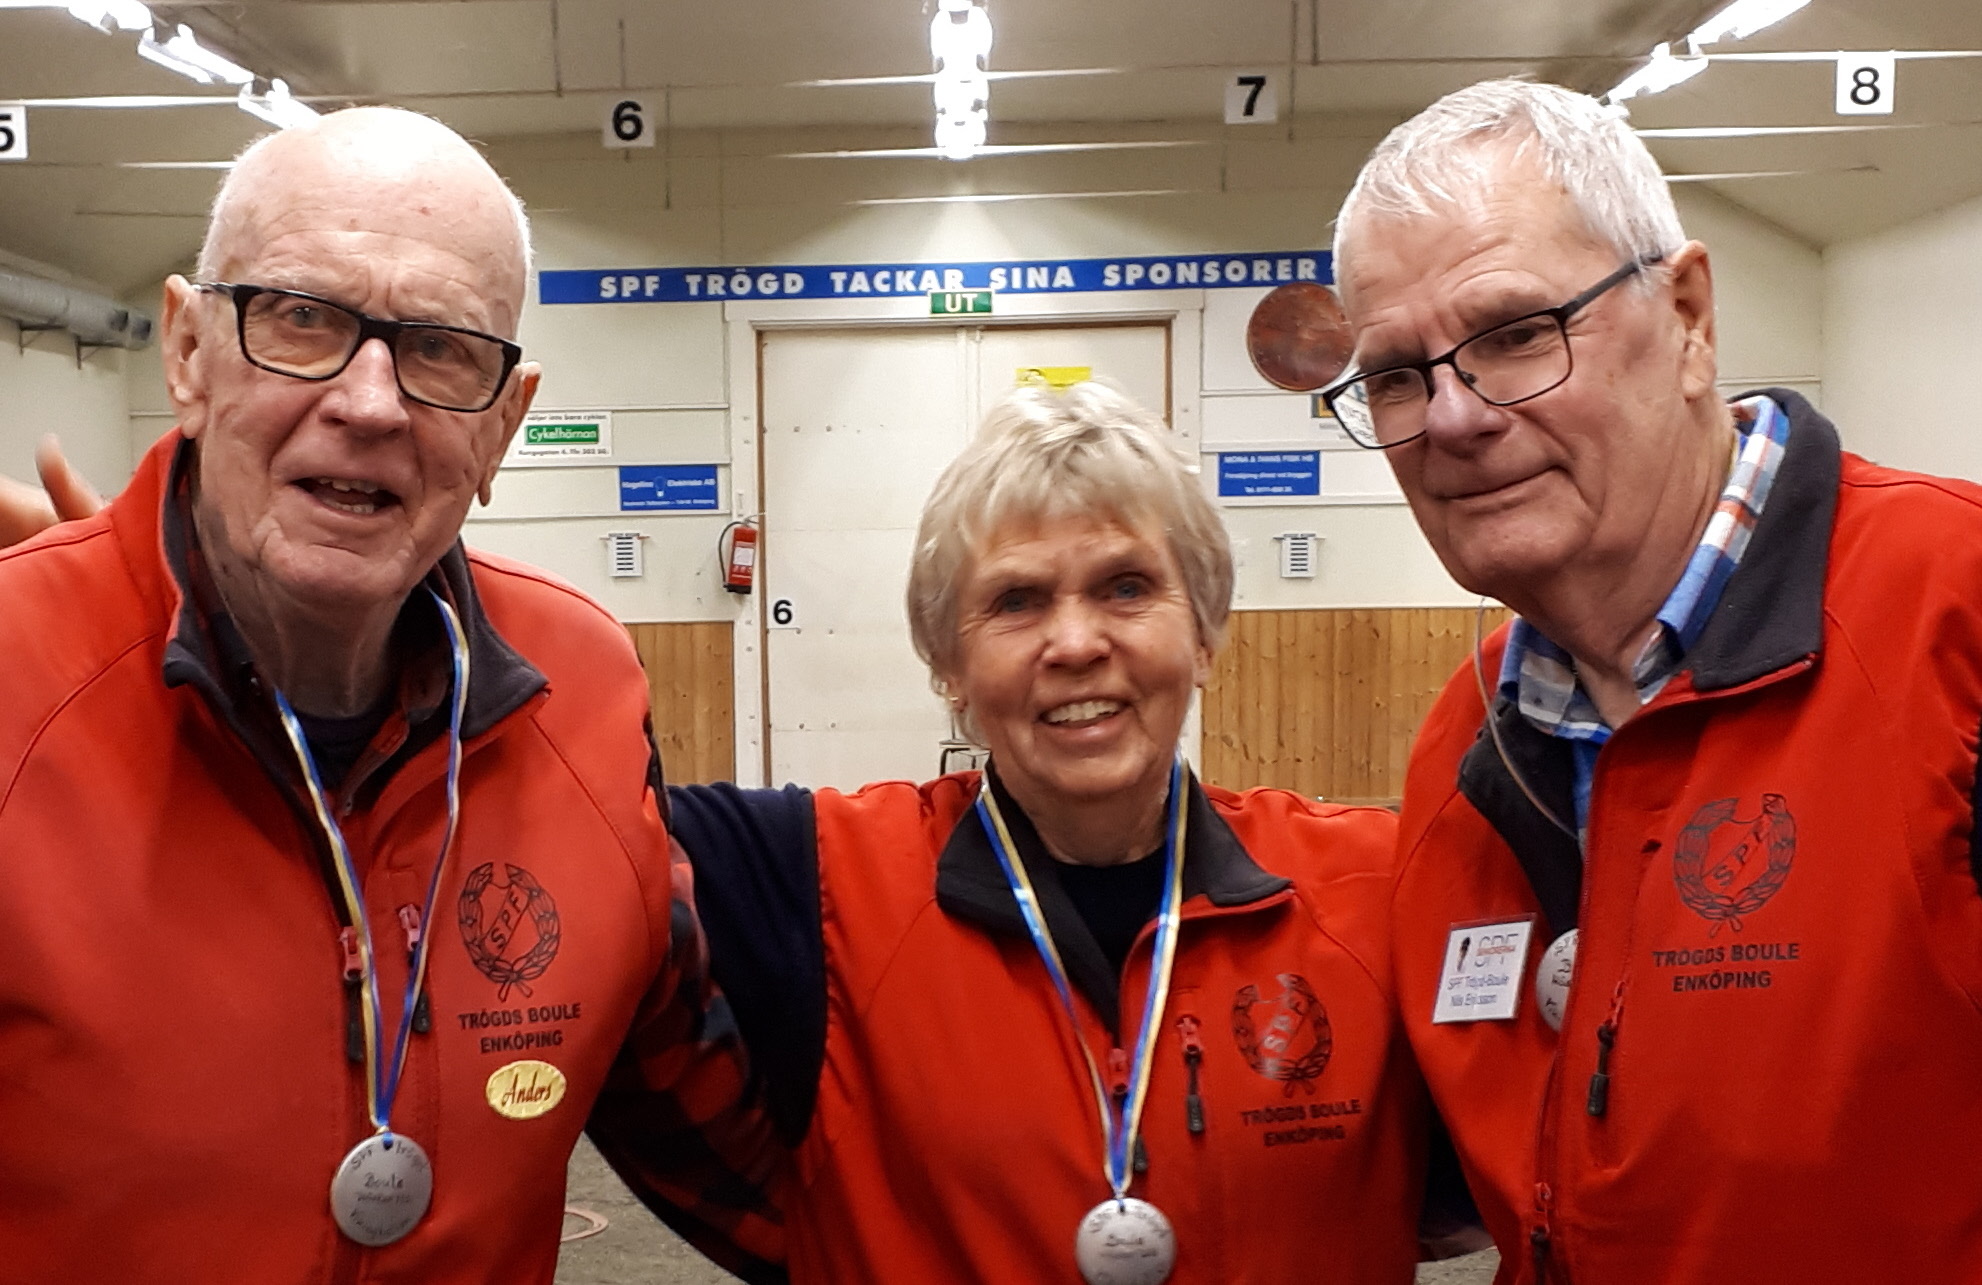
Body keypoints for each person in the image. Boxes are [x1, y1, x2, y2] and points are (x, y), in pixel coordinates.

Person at [0, 107, 772, 1283]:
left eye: (441, 349)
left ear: (503, 425)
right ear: (189, 352)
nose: (369, 403)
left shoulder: (583, 686)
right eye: (301, 318)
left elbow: (714, 1130)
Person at [1322, 78, 1982, 1283]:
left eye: (1515, 333)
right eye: (1395, 376)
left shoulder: (1956, 617)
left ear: (1684, 316)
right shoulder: (1464, 752)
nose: (1451, 417)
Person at [592, 381, 1431, 1285]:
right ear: (949, 665)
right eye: (1017, 600)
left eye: (1126, 586)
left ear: (1204, 632)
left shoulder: (1378, 885)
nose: (1075, 642)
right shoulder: (817, 882)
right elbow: (564, 817)